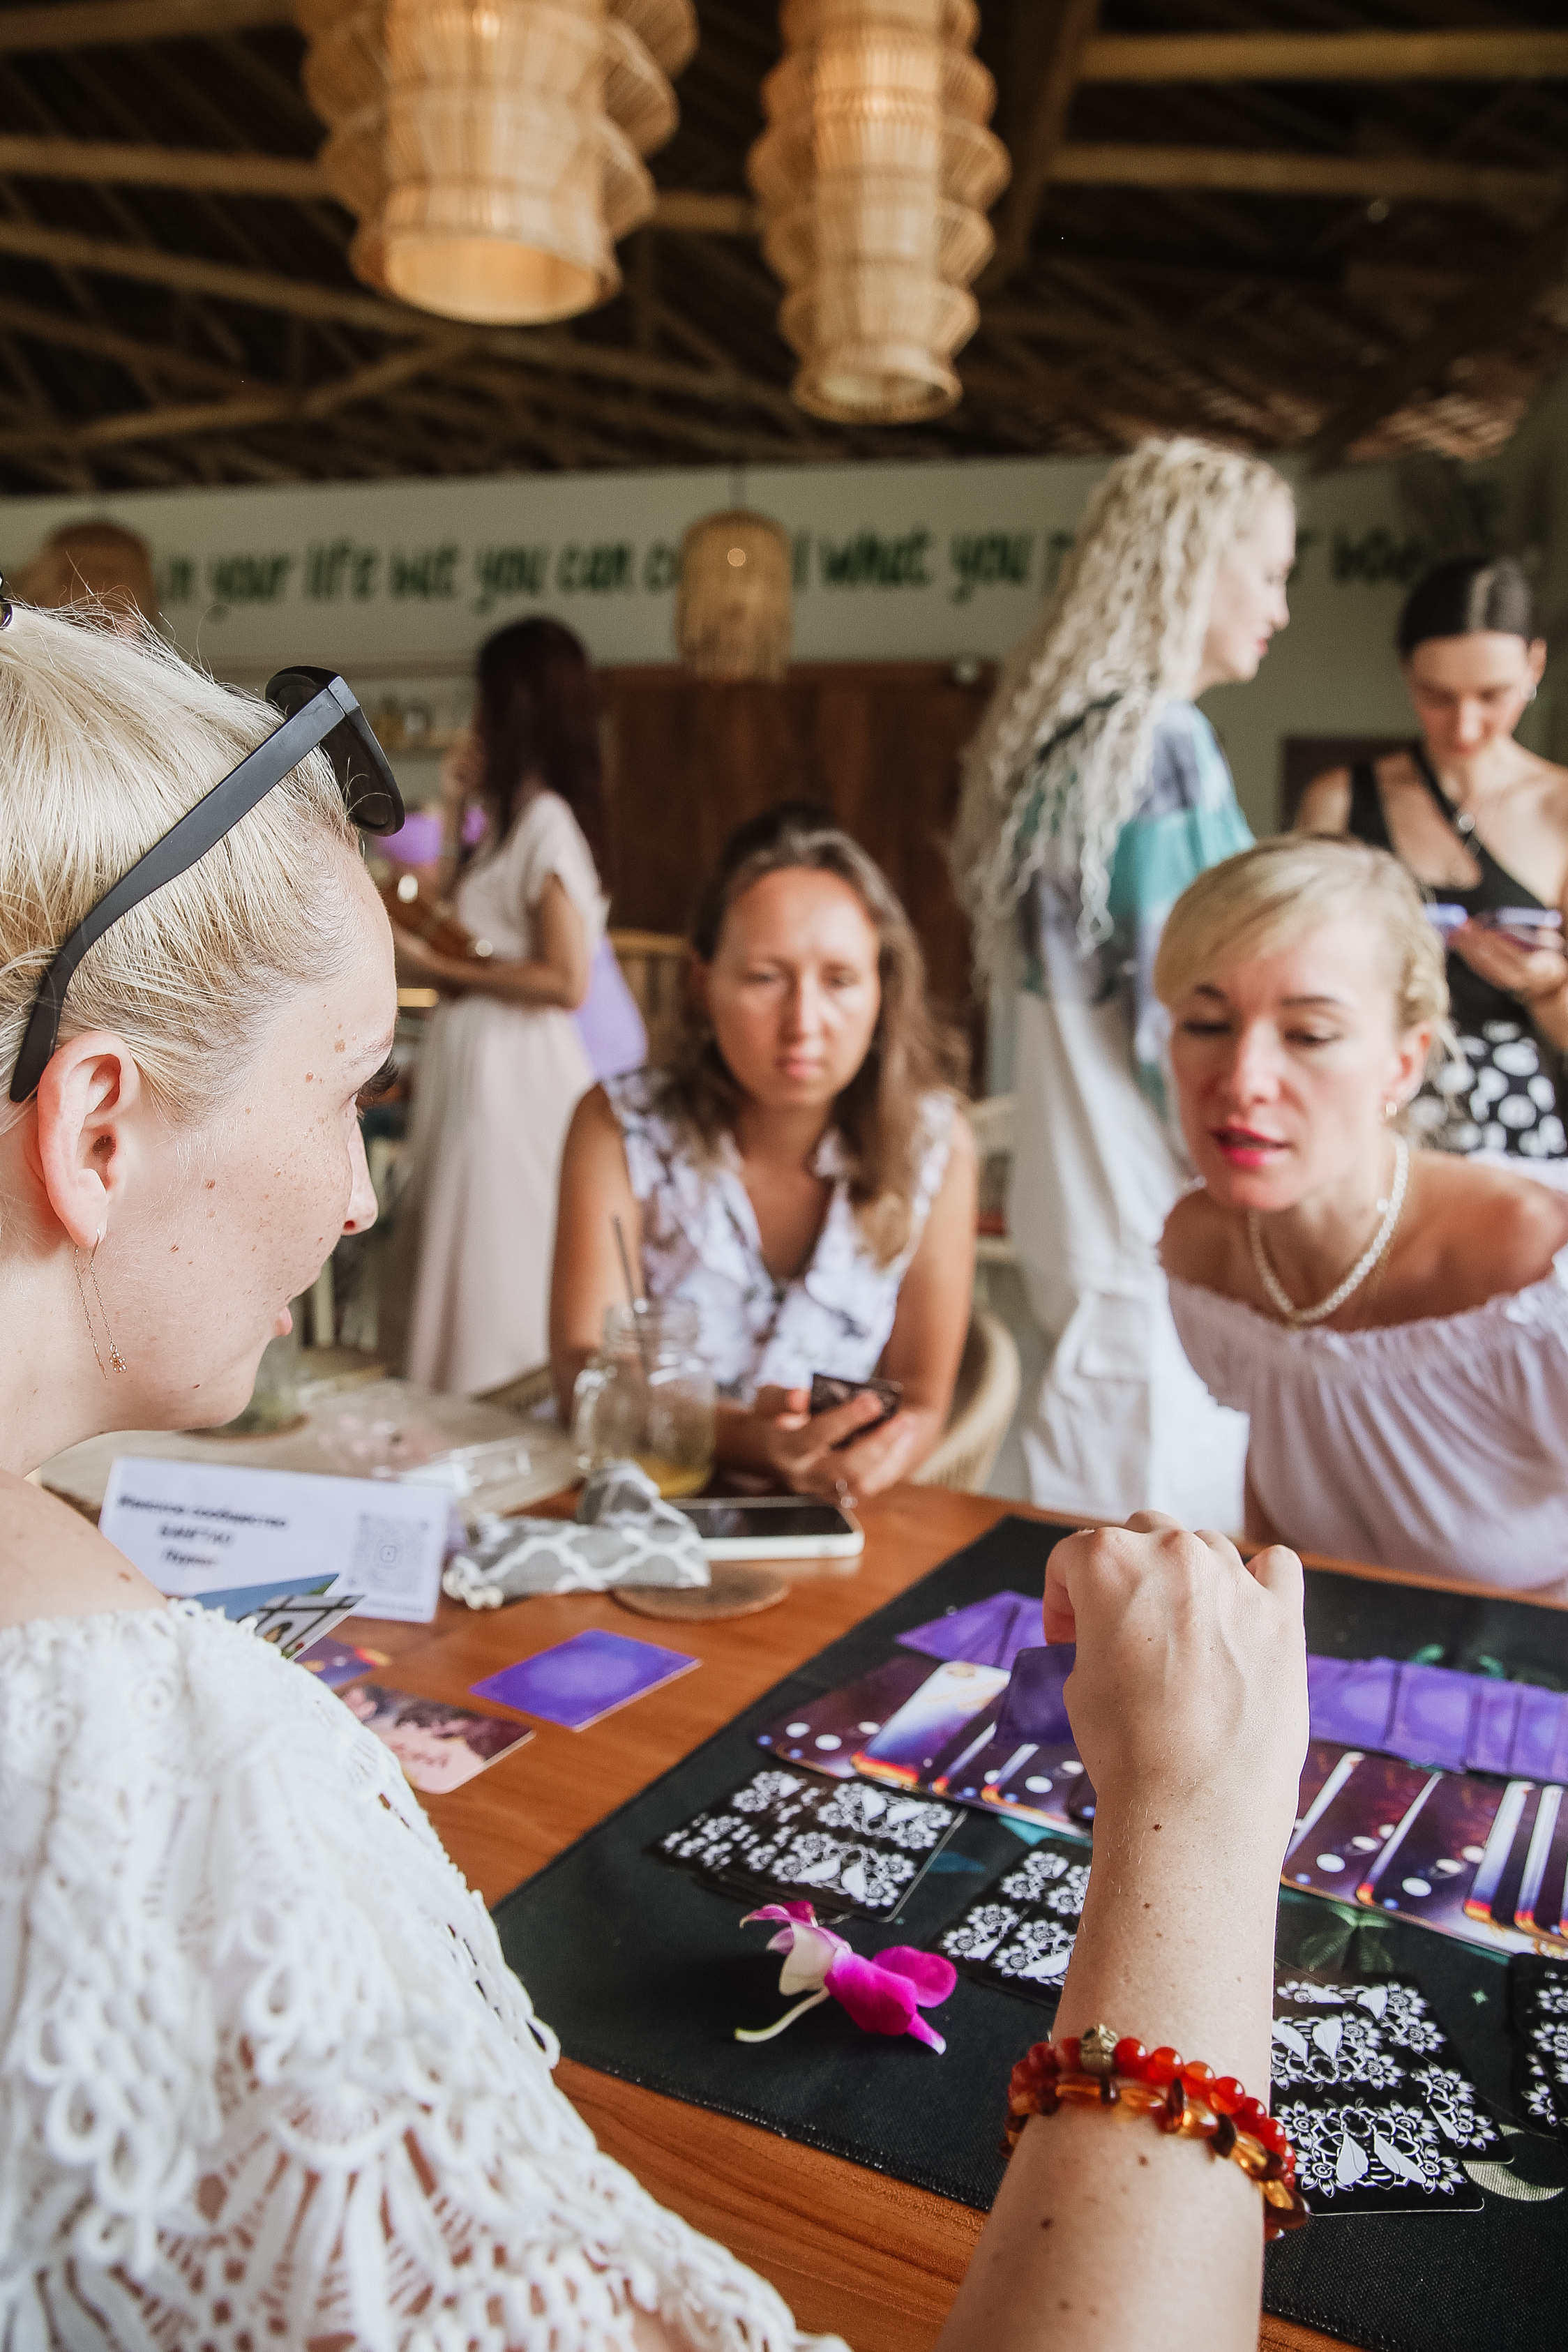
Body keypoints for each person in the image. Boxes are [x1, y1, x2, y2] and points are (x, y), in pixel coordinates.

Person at [1, 595, 1307, 2352]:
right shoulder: (164, 1790)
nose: (361, 1196)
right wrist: (1205, 1809)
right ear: (97, 1131)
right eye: (348, 1096)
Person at [952, 437, 1295, 1530]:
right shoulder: (1166, 745)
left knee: (1100, 1542)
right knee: (1159, 1567)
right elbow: (1191, 1022)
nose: (1281, 609)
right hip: (1155, 1210)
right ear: (1193, 565)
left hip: (1081, 1202)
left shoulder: (1072, 747)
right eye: (1271, 573)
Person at [1159, 834, 1568, 1588]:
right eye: (1207, 1024)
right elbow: (1286, 1478)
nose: (1243, 1080)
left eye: (1309, 1034)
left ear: (1403, 1063)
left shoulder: (1535, 1271)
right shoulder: (1201, 1253)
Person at [551, 806, 977, 1501]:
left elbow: (923, 1399)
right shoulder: (617, 1125)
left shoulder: (936, 1146)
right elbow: (579, 1373)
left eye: (839, 980)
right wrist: (750, 1438)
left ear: (883, 990)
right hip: (638, 1501)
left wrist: (874, 1458)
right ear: (701, 981)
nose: (803, 1023)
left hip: (832, 1520)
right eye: (764, 979)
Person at [395, 617, 609, 1394]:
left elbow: (565, 979)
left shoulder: (548, 822)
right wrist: (453, 813)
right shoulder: (505, 822)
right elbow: (462, 921)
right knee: (454, 1243)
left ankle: (496, 1400)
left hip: (515, 1067)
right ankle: (445, 1400)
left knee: (492, 1249)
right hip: (476, 1052)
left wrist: (444, 969)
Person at [1296, 555, 1568, 1164]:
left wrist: (1547, 984)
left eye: (1492, 696)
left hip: (1511, 1113)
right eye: (1436, 696)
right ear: (1404, 671)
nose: (1465, 726)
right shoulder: (1340, 800)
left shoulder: (1560, 809)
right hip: (1369, 1102)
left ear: (1536, 666)